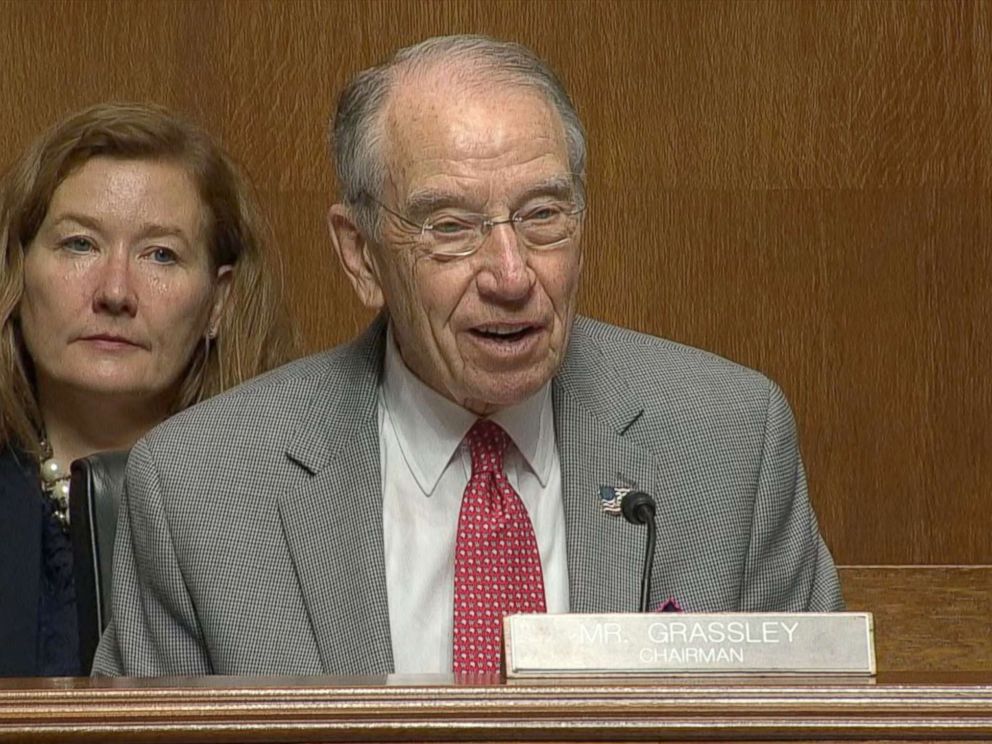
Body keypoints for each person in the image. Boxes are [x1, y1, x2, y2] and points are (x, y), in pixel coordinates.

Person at [93, 36, 843, 678]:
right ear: (360, 255)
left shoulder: (729, 441)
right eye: (450, 226)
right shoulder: (203, 488)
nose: (512, 275)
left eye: (543, 215)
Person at [0, 102, 295, 676]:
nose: (115, 291)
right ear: (17, 272)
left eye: (161, 254)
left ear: (219, 301)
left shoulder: (278, 514)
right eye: (79, 245)